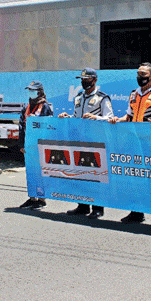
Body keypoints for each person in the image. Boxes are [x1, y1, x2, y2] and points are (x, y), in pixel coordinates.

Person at [109, 63, 151, 229]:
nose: (140, 77)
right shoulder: (134, 94)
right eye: (138, 74)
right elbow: (129, 115)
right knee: (135, 177)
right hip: (134, 141)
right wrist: (119, 119)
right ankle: (137, 212)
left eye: (143, 74)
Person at [59, 67, 113, 218]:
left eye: (87, 80)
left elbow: (110, 118)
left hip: (96, 141)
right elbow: (77, 118)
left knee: (96, 175)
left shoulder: (103, 98)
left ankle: (98, 208)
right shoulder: (78, 97)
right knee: (81, 174)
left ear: (95, 80)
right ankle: (82, 206)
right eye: (82, 80)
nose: (84, 82)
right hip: (80, 141)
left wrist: (96, 118)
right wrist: (67, 116)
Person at [18, 80, 54, 210]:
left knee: (41, 172)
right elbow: (21, 126)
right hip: (28, 145)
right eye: (29, 90)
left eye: (33, 90)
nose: (31, 93)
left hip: (41, 145)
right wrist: (21, 144)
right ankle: (32, 197)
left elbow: (50, 127)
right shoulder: (26, 107)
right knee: (31, 172)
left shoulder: (45, 107)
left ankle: (42, 199)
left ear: (40, 92)